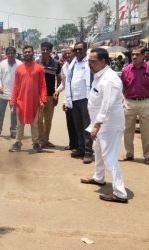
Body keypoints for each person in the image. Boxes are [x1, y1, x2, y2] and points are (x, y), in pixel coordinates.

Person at [80, 48, 128, 203]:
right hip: (101, 124)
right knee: (98, 151)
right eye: (89, 61)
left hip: (109, 125)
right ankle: (99, 177)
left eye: (93, 61)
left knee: (109, 157)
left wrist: (97, 126)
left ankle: (120, 193)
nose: (89, 64)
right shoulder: (99, 75)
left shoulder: (110, 80)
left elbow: (106, 106)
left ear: (104, 62)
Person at [9, 45, 47, 153]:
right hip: (21, 101)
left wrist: (43, 100)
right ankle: (18, 143)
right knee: (20, 124)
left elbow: (43, 85)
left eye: (29, 52)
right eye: (25, 52)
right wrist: (13, 101)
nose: (27, 54)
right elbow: (15, 86)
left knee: (34, 124)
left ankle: (35, 143)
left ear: (33, 53)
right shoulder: (19, 69)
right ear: (23, 54)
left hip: (34, 102)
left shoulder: (39, 68)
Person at [65, 42, 93, 164]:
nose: (77, 52)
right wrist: (67, 100)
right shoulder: (73, 64)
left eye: (80, 50)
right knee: (78, 126)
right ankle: (81, 149)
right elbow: (69, 81)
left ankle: (88, 152)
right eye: (75, 50)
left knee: (87, 127)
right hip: (74, 99)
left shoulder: (90, 62)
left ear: (85, 50)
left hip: (85, 99)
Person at [120, 46, 149, 165]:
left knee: (146, 131)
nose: (134, 57)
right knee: (127, 130)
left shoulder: (148, 69)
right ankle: (129, 153)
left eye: (137, 54)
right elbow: (122, 85)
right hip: (129, 102)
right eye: (133, 54)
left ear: (144, 56)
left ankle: (147, 155)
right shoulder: (126, 70)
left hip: (145, 102)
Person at [0, 46, 22, 139]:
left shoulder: (20, 64)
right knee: (0, 112)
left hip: (15, 93)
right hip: (3, 93)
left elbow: (22, 79)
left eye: (12, 53)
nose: (11, 55)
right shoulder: (2, 64)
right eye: (9, 53)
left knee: (13, 113)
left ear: (15, 54)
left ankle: (13, 130)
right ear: (6, 54)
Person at [36, 42, 61, 148]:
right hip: (38, 95)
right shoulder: (36, 63)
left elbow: (59, 78)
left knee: (48, 119)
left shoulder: (56, 63)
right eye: (43, 49)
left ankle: (46, 140)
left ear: (51, 51)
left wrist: (57, 93)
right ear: (41, 50)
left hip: (51, 95)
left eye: (47, 49)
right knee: (39, 119)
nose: (45, 51)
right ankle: (40, 140)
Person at [53, 47, 78, 150]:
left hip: (79, 99)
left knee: (79, 124)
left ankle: (82, 146)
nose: (67, 55)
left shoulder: (79, 65)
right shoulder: (64, 67)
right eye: (65, 54)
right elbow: (64, 83)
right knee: (70, 123)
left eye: (69, 53)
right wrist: (57, 91)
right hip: (68, 100)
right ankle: (72, 144)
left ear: (74, 53)